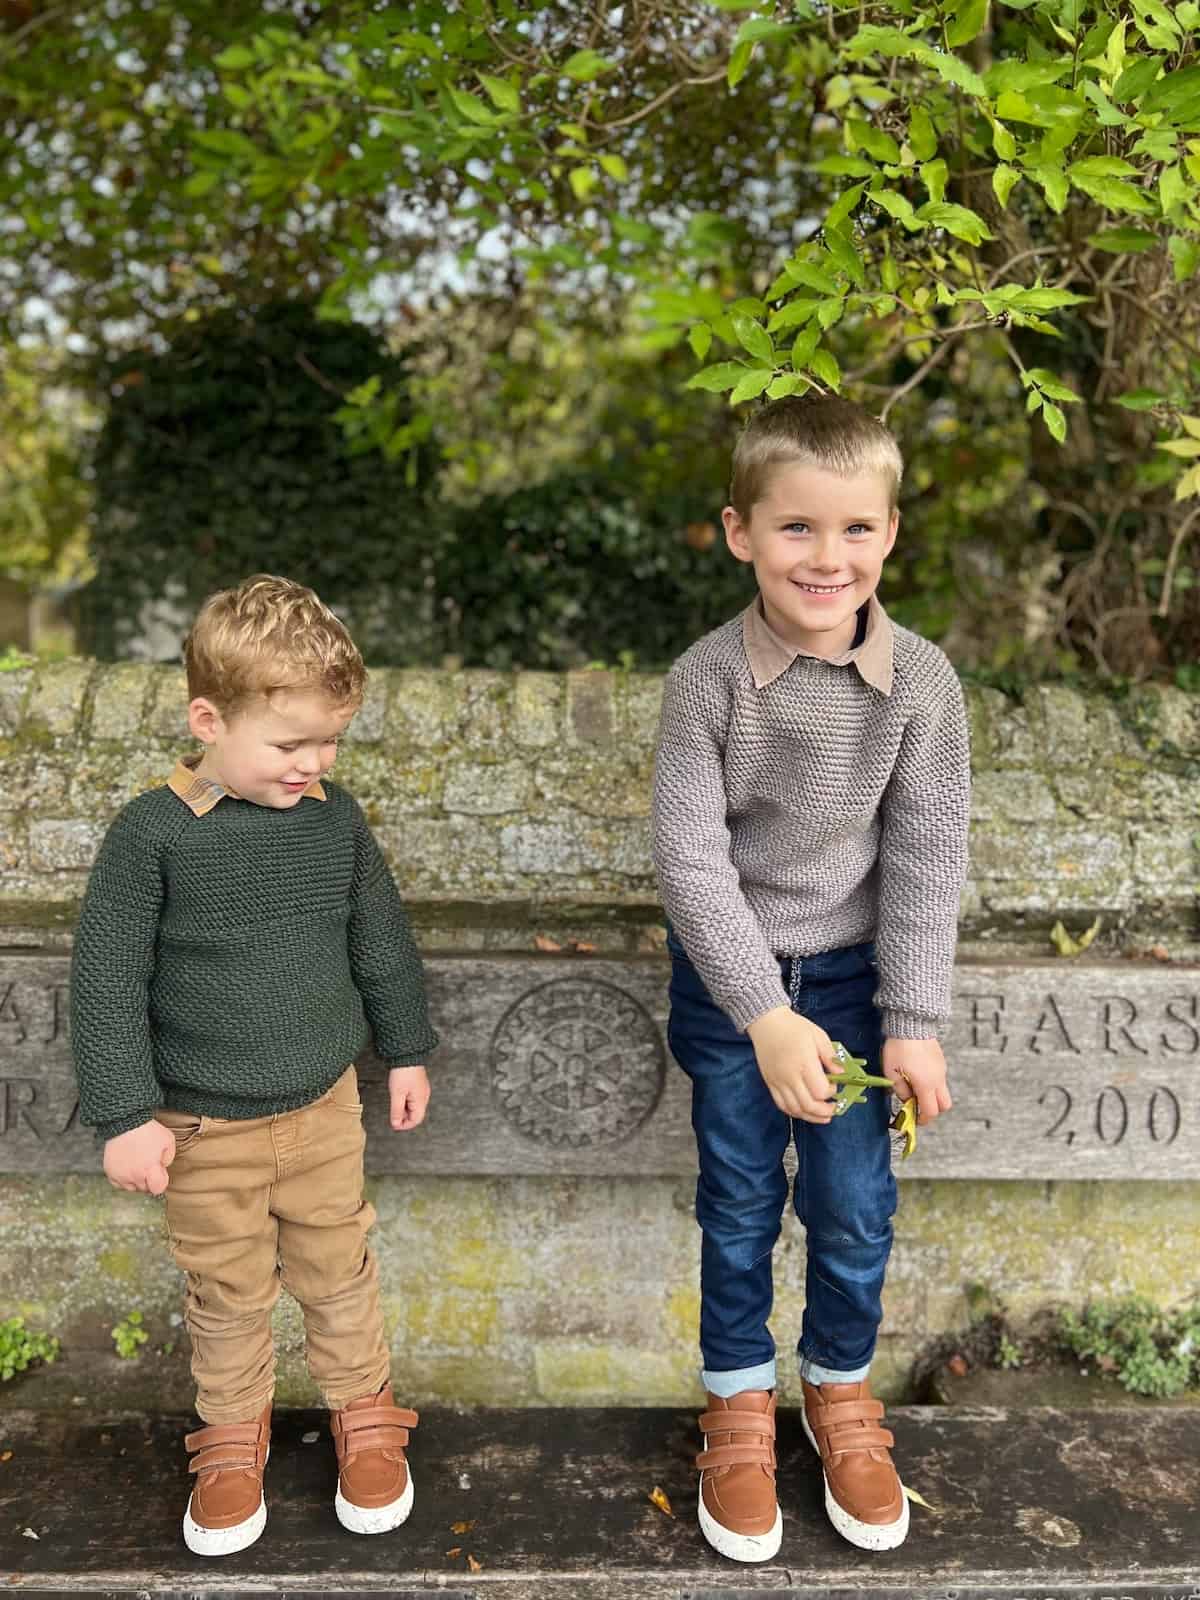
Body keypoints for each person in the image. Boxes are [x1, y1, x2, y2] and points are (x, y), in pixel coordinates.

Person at [652, 394, 970, 1562]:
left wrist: (914, 1019)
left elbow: (929, 855)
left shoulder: (923, 686)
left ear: (890, 535)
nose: (824, 558)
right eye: (795, 529)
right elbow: (689, 859)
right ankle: (738, 1399)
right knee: (738, 1200)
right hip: (735, 980)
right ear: (740, 532)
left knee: (851, 1208)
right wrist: (761, 1011)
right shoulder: (708, 681)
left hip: (852, 986)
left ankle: (838, 1390)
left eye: (852, 530)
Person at [70, 574, 437, 1557]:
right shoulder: (151, 836)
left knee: (339, 1268)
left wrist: (404, 1048)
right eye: (291, 744)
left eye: (329, 743)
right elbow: (106, 982)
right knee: (226, 1292)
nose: (313, 763)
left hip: (323, 1112)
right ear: (208, 717)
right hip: (200, 1130)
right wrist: (123, 1112)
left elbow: (381, 942)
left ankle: (365, 1412)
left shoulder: (334, 819)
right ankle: (233, 1437)